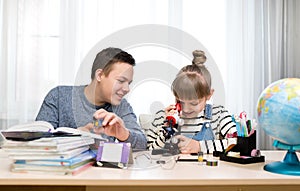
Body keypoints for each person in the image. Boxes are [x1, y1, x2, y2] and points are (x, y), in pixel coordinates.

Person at [36, 47, 147, 150]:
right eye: (121, 81)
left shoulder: (121, 106)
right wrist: (76, 136)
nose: (127, 89)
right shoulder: (59, 96)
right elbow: (36, 141)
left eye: (129, 83)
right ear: (99, 75)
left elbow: (143, 144)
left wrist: (123, 133)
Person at [147, 50, 237, 154]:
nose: (185, 109)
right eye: (180, 101)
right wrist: (166, 129)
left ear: (208, 95)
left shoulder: (218, 113)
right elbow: (148, 150)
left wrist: (200, 147)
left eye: (194, 103)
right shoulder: (162, 116)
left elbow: (237, 142)